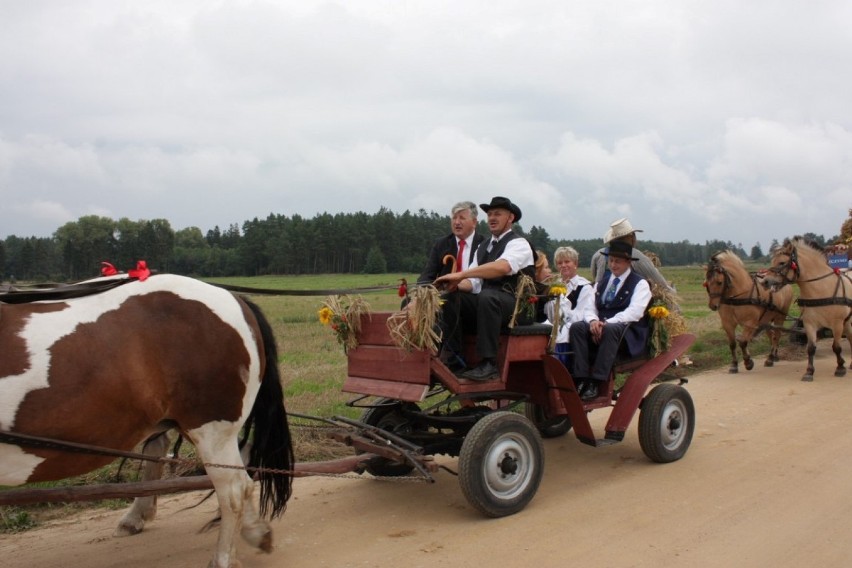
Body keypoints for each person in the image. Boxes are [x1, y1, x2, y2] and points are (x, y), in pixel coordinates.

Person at [433, 196, 535, 381]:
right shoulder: (483, 246)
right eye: (489, 214)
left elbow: (502, 267)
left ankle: (489, 363)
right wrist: (450, 286)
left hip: (517, 307)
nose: (492, 218)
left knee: (488, 297)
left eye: (498, 214)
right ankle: (454, 358)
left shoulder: (518, 243)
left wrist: (460, 275)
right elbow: (473, 282)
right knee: (450, 298)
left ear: (510, 218)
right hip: (489, 303)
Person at [570, 240, 652, 401]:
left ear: (628, 262)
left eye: (618, 262)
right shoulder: (602, 282)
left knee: (610, 329)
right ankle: (581, 378)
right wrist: (593, 321)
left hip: (626, 331)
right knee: (577, 327)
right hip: (601, 326)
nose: (613, 265)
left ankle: (597, 381)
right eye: (611, 261)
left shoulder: (640, 284)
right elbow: (590, 307)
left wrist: (607, 323)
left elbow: (634, 312)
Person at [590, 218, 674, 292]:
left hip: (600, 298)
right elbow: (659, 282)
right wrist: (671, 291)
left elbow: (595, 276)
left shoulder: (599, 254)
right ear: (631, 237)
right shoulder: (636, 255)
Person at [544, 246, 595, 367]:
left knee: (562, 332)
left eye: (567, 262)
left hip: (575, 326)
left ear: (575, 264)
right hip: (553, 323)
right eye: (560, 263)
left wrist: (561, 316)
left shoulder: (584, 286)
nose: (563, 265)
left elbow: (580, 314)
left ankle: (561, 367)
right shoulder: (553, 286)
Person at [418, 201, 485, 284]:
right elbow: (428, 275)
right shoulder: (441, 244)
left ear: (474, 222)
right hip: (446, 294)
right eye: (454, 218)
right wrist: (422, 290)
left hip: (475, 294)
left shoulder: (484, 245)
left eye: (462, 218)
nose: (456, 222)